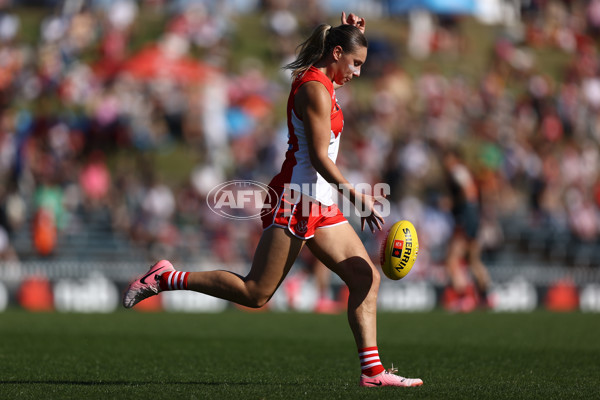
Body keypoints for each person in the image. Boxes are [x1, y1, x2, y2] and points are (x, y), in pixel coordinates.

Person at [123, 12, 423, 388]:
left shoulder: (326, 77)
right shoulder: (314, 89)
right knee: (256, 293)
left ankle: (373, 372)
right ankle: (167, 277)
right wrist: (357, 197)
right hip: (298, 200)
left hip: (320, 201)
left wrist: (356, 35)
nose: (358, 73)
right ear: (335, 54)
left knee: (365, 277)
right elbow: (317, 156)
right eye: (356, 64)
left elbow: (338, 67)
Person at [442, 147, 491, 310]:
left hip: (466, 218)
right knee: (473, 260)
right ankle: (486, 297)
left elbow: (468, 193)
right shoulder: (463, 172)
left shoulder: (457, 172)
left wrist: (453, 205)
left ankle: (463, 297)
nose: (445, 162)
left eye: (447, 158)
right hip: (473, 218)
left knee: (452, 260)